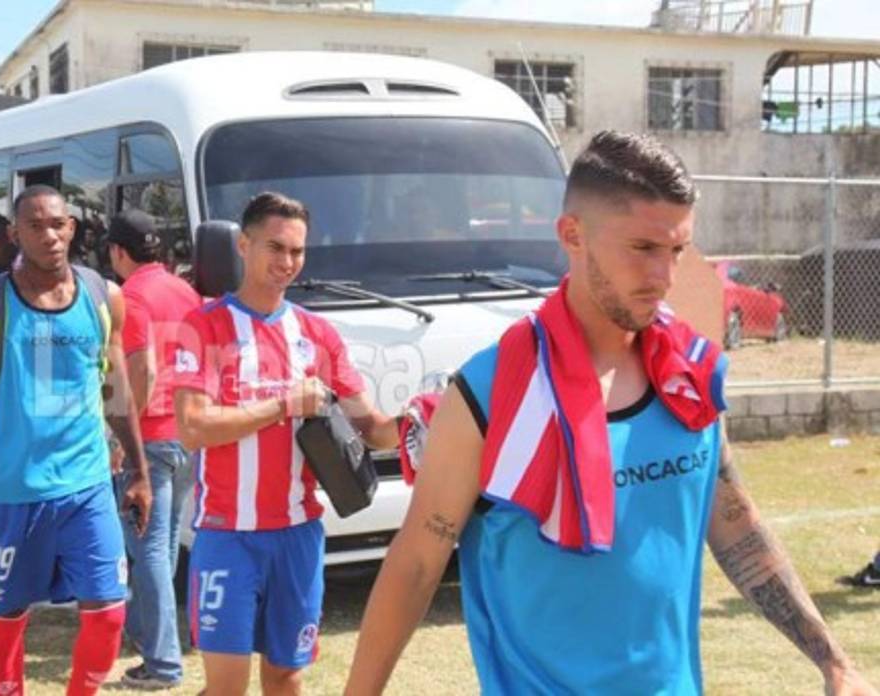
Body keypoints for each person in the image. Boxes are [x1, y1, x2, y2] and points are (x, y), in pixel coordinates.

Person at [344, 131, 877, 695]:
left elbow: (738, 527)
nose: (664, 277)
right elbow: (417, 564)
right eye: (643, 249)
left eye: (677, 251)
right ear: (573, 235)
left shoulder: (687, 378)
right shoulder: (490, 392)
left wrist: (834, 662)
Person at [171, 192, 398, 696]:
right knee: (227, 687)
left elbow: (370, 424)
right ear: (243, 245)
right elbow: (193, 427)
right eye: (275, 248)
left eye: (297, 252)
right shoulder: (203, 326)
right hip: (227, 535)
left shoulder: (316, 333)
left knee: (285, 676)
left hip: (297, 537)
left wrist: (427, 423)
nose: (287, 262)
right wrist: (282, 405)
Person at [0, 185, 152, 695]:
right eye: (35, 227)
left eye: (57, 224)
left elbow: (116, 387)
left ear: (72, 228)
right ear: (15, 235)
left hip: (87, 484)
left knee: (107, 613)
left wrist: (141, 472)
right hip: (13, 490)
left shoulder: (105, 297)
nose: (49, 235)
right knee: (7, 618)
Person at [105, 209, 203, 690]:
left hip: (153, 441)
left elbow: (140, 370)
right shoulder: (184, 289)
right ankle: (152, 639)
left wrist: (125, 440)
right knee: (159, 549)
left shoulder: (132, 296)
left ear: (118, 252)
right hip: (186, 436)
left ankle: (162, 662)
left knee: (147, 552)